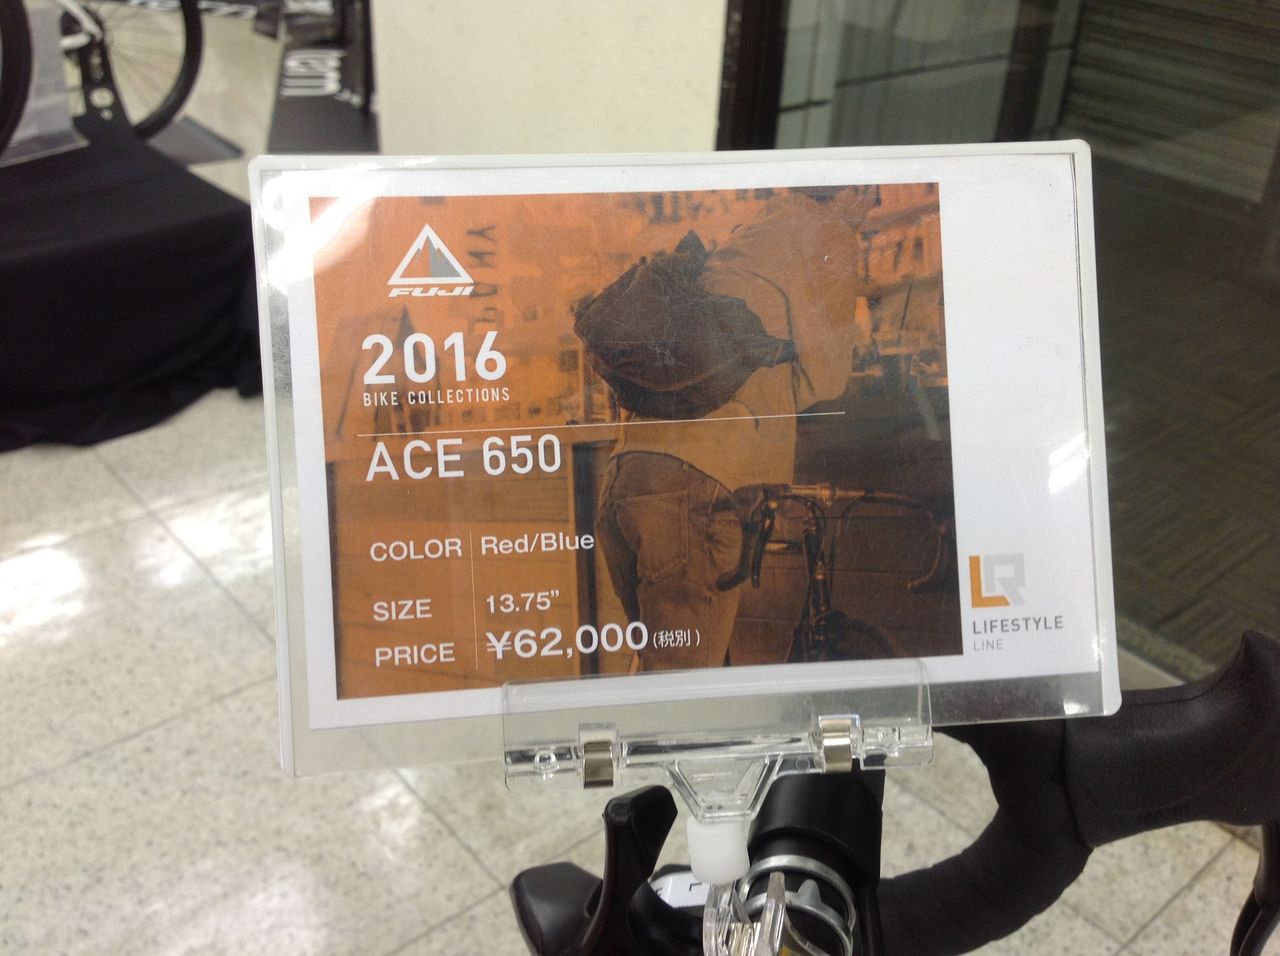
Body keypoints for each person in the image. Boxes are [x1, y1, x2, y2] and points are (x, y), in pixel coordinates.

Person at [596, 187, 880, 671]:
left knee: (664, 676)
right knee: (684, 690)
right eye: (874, 194)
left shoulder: (751, 231)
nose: (875, 206)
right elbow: (828, 377)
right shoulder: (829, 232)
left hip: (630, 474)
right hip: (699, 486)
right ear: (852, 189)